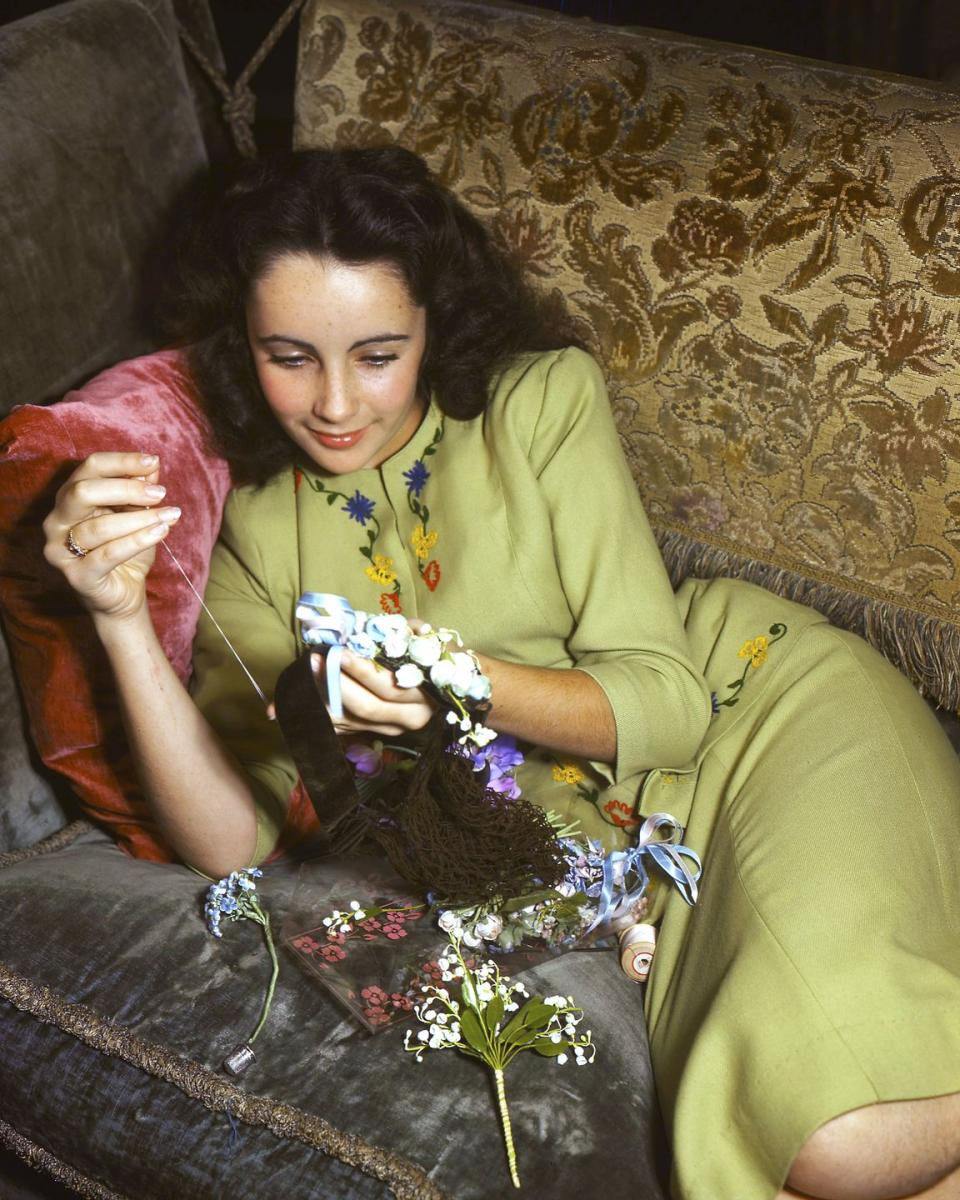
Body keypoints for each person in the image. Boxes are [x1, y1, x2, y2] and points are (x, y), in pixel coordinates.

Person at [43, 146, 960, 1200]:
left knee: (839, 1150)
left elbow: (670, 707)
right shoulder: (248, 520)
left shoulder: (540, 399)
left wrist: (451, 676)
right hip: (620, 879)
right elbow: (234, 843)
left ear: (432, 323)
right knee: (791, 1169)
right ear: (239, 343)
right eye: (290, 356)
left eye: (378, 354)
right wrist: (116, 622)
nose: (336, 403)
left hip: (767, 714)